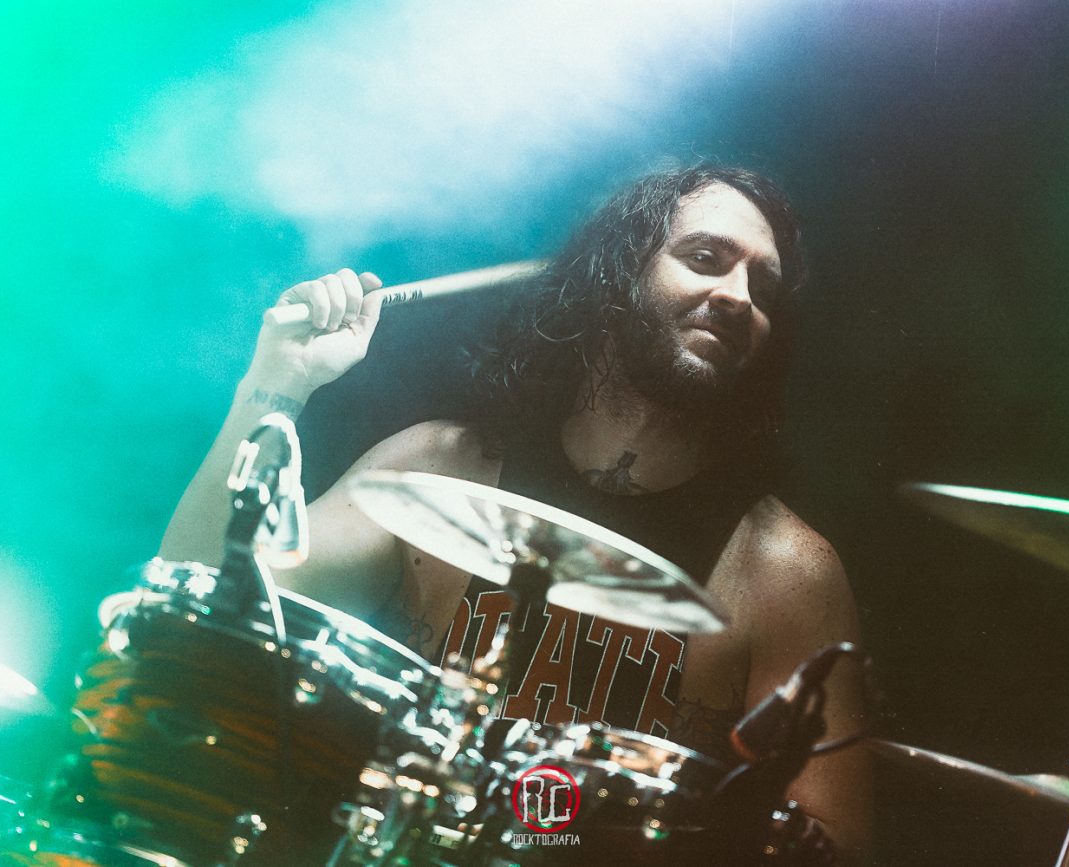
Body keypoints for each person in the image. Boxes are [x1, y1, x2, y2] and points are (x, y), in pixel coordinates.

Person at [161, 164, 870, 859]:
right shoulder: (437, 467)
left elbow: (829, 847)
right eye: (706, 259)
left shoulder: (785, 573)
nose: (739, 296)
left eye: (763, 287)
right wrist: (277, 382)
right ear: (617, 276)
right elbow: (195, 604)